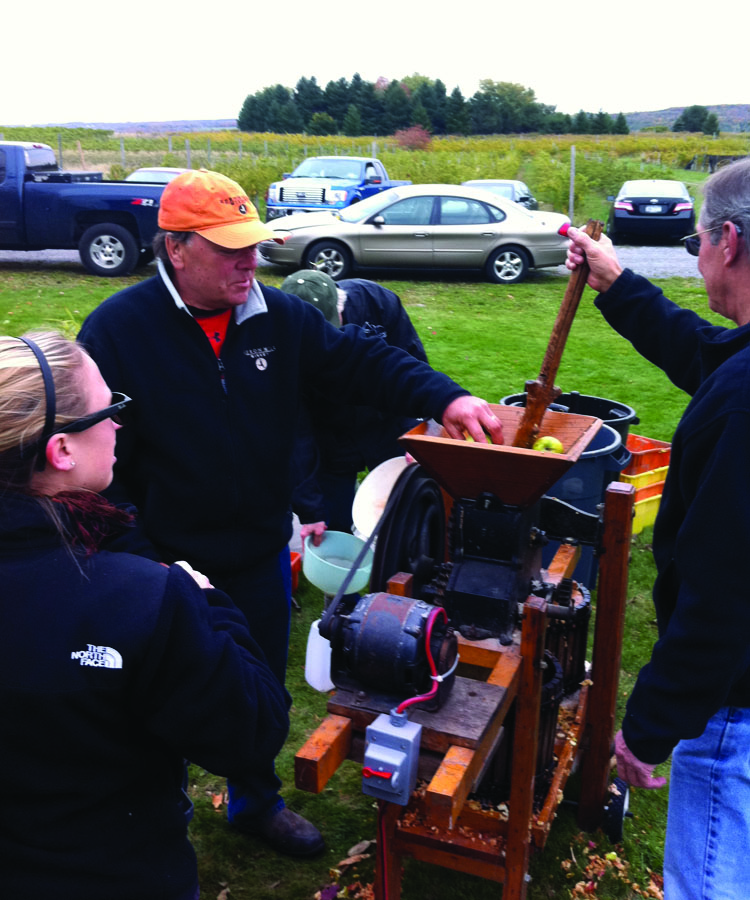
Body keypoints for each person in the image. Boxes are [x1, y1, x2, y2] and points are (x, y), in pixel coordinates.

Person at [77, 168, 504, 858]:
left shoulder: (280, 316)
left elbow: (362, 361)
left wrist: (446, 399)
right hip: (157, 561)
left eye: (253, 244)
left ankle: (254, 799)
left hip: (255, 550)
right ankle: (155, 807)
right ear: (176, 248)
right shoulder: (118, 331)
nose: (249, 259)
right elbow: (98, 457)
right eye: (228, 248)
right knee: (154, 690)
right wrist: (143, 552)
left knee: (257, 688)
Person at [0, 332, 289, 900]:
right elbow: (250, 733)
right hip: (121, 876)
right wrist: (206, 599)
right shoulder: (143, 599)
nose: (119, 426)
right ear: (61, 450)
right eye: (111, 409)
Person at [566, 157, 750, 900]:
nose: (697, 256)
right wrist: (615, 280)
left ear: (728, 242)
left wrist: (648, 728)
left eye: (694, 242)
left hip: (734, 705)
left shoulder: (745, 403)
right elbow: (704, 354)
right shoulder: (739, 368)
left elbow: (726, 590)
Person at [283, 269, 429, 539]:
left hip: (387, 422)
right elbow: (295, 429)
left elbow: (413, 367)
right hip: (330, 432)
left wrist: (415, 433)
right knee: (331, 521)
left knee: (404, 510)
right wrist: (310, 509)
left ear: (341, 302)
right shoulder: (282, 342)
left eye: (328, 327)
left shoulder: (378, 301)